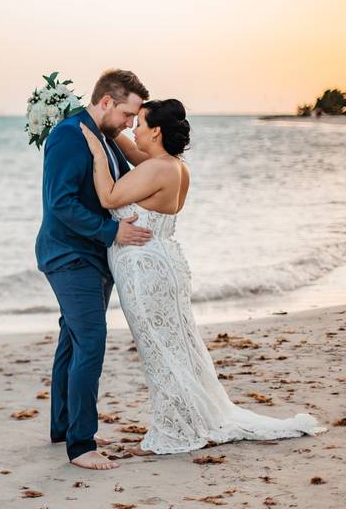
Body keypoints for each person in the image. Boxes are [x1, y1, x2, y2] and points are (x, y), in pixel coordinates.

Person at [79, 98, 326, 455]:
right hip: (161, 265)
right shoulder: (171, 166)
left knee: (159, 351)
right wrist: (108, 127)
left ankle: (174, 432)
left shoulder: (157, 169)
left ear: (157, 131)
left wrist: (97, 152)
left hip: (146, 271)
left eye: (141, 122)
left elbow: (108, 196)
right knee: (177, 348)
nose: (134, 127)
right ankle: (187, 419)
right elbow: (133, 149)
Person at [35, 69, 152, 470]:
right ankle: (81, 445)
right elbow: (61, 203)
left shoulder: (105, 137)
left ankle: (64, 427)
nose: (131, 124)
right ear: (106, 102)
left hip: (94, 257)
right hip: (69, 255)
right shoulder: (70, 135)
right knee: (91, 341)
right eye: (128, 114)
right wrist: (111, 232)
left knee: (72, 338)